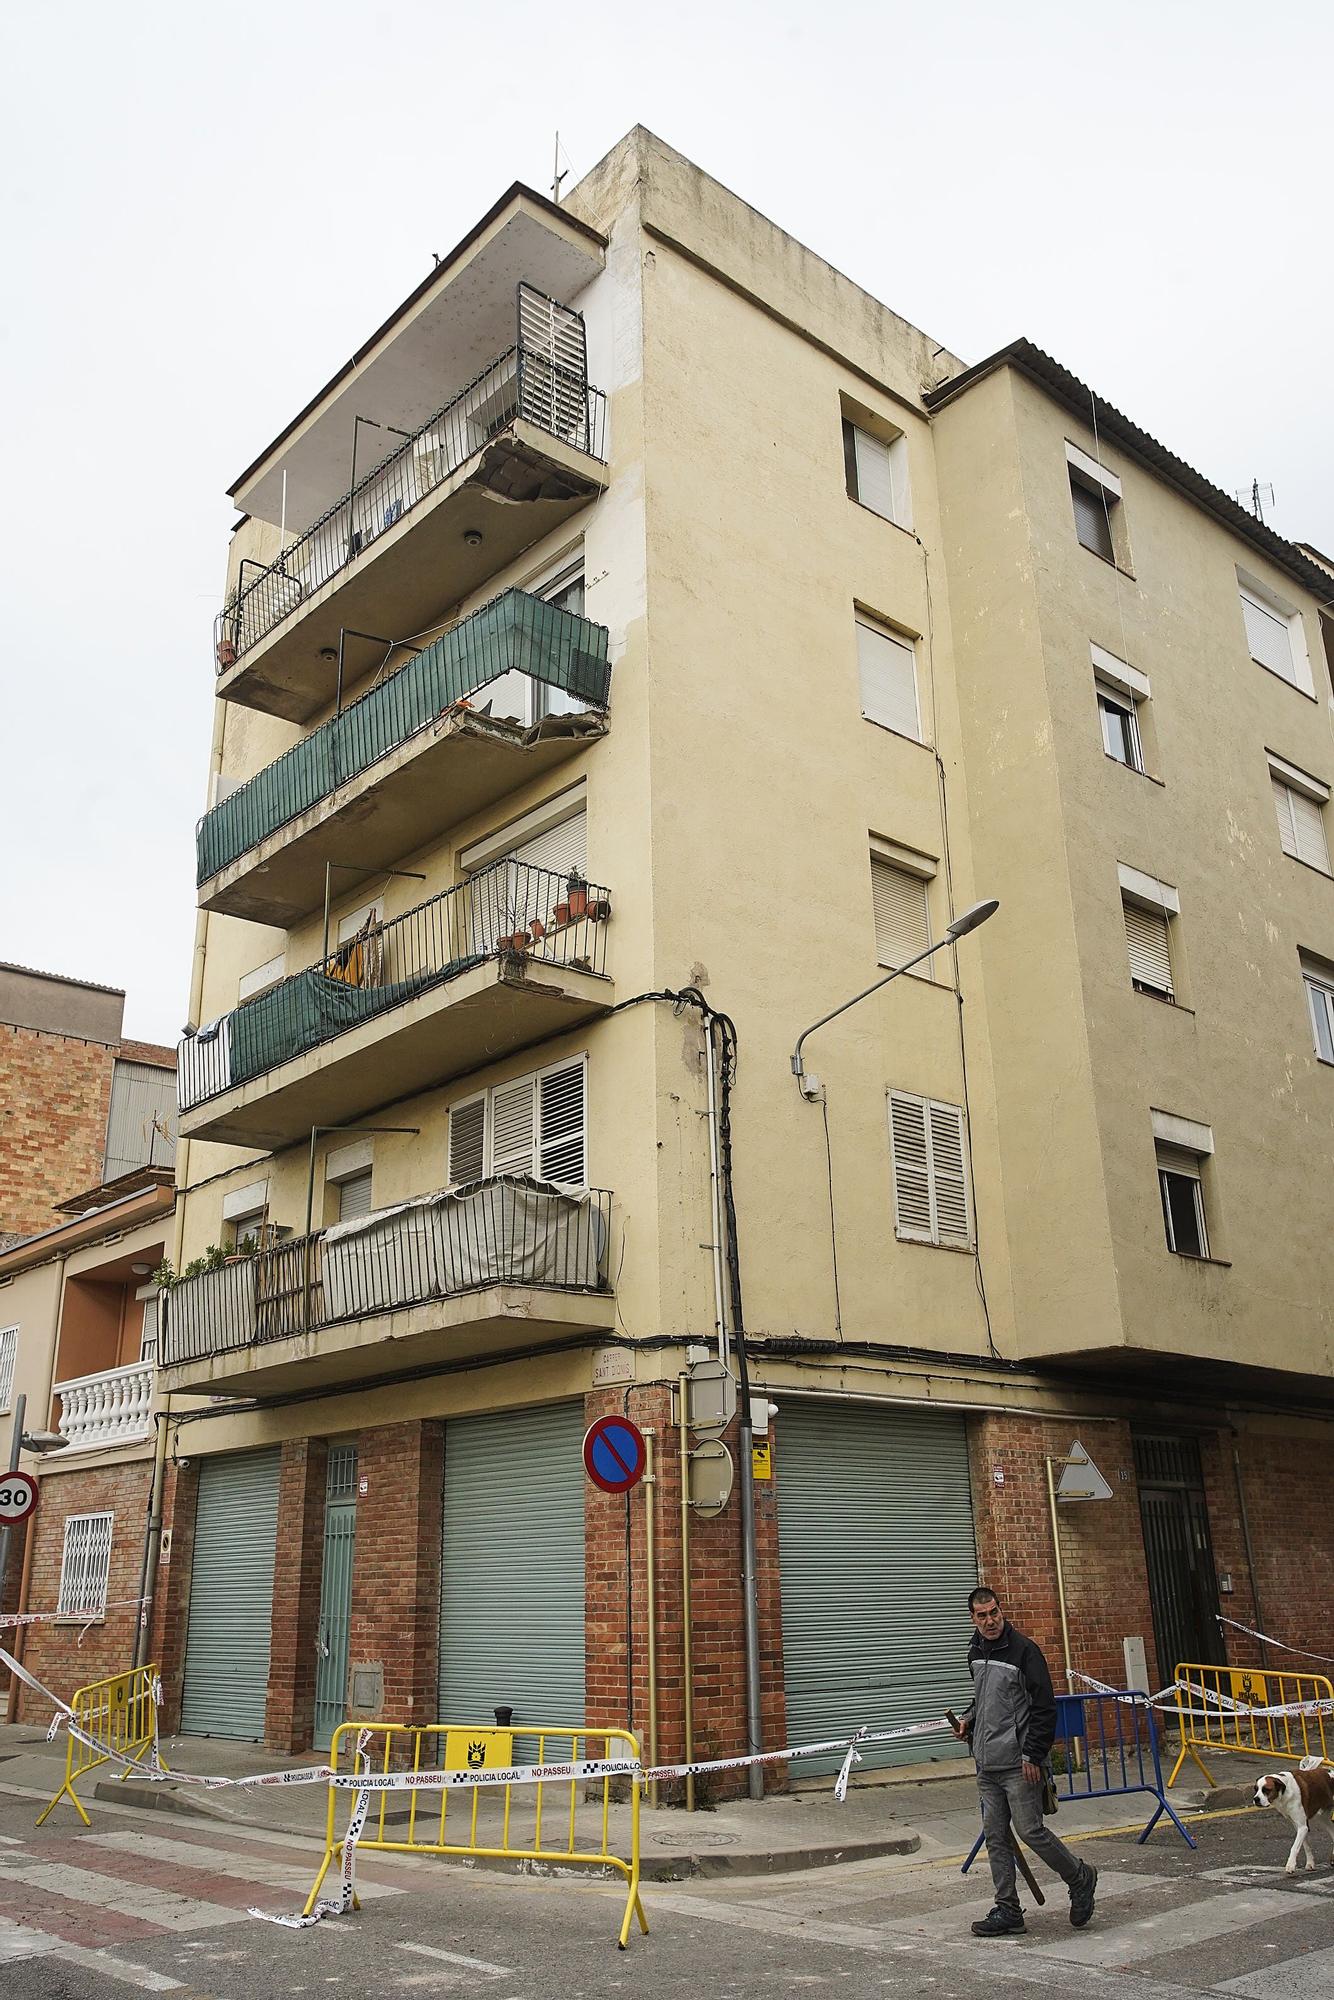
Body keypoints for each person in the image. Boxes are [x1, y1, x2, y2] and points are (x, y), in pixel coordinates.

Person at [952, 1586, 1097, 1937]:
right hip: (987, 1763)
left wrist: (1034, 1754)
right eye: (982, 1616)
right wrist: (968, 1722)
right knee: (996, 1837)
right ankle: (1008, 1910)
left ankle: (1080, 1877)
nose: (990, 1621)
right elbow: (985, 1700)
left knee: (1031, 1831)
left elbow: (1045, 1708)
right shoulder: (974, 1650)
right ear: (972, 1618)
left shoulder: (1025, 1651)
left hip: (1020, 1763)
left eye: (994, 1613)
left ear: (1001, 1611)